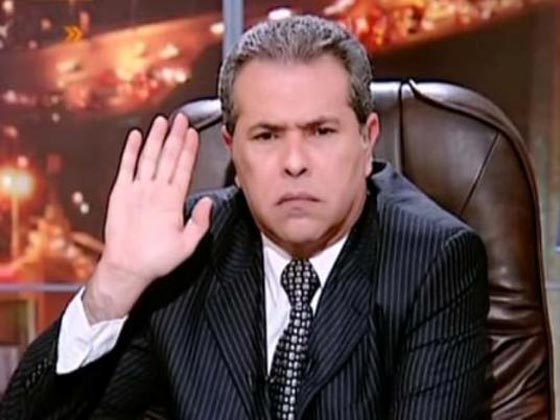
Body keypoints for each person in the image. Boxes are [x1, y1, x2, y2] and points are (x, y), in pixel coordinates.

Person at [0, 15, 488, 420]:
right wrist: (114, 286)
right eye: (267, 136)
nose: (294, 162)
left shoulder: (432, 259)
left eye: (321, 131)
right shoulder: (186, 251)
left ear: (367, 140)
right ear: (233, 149)